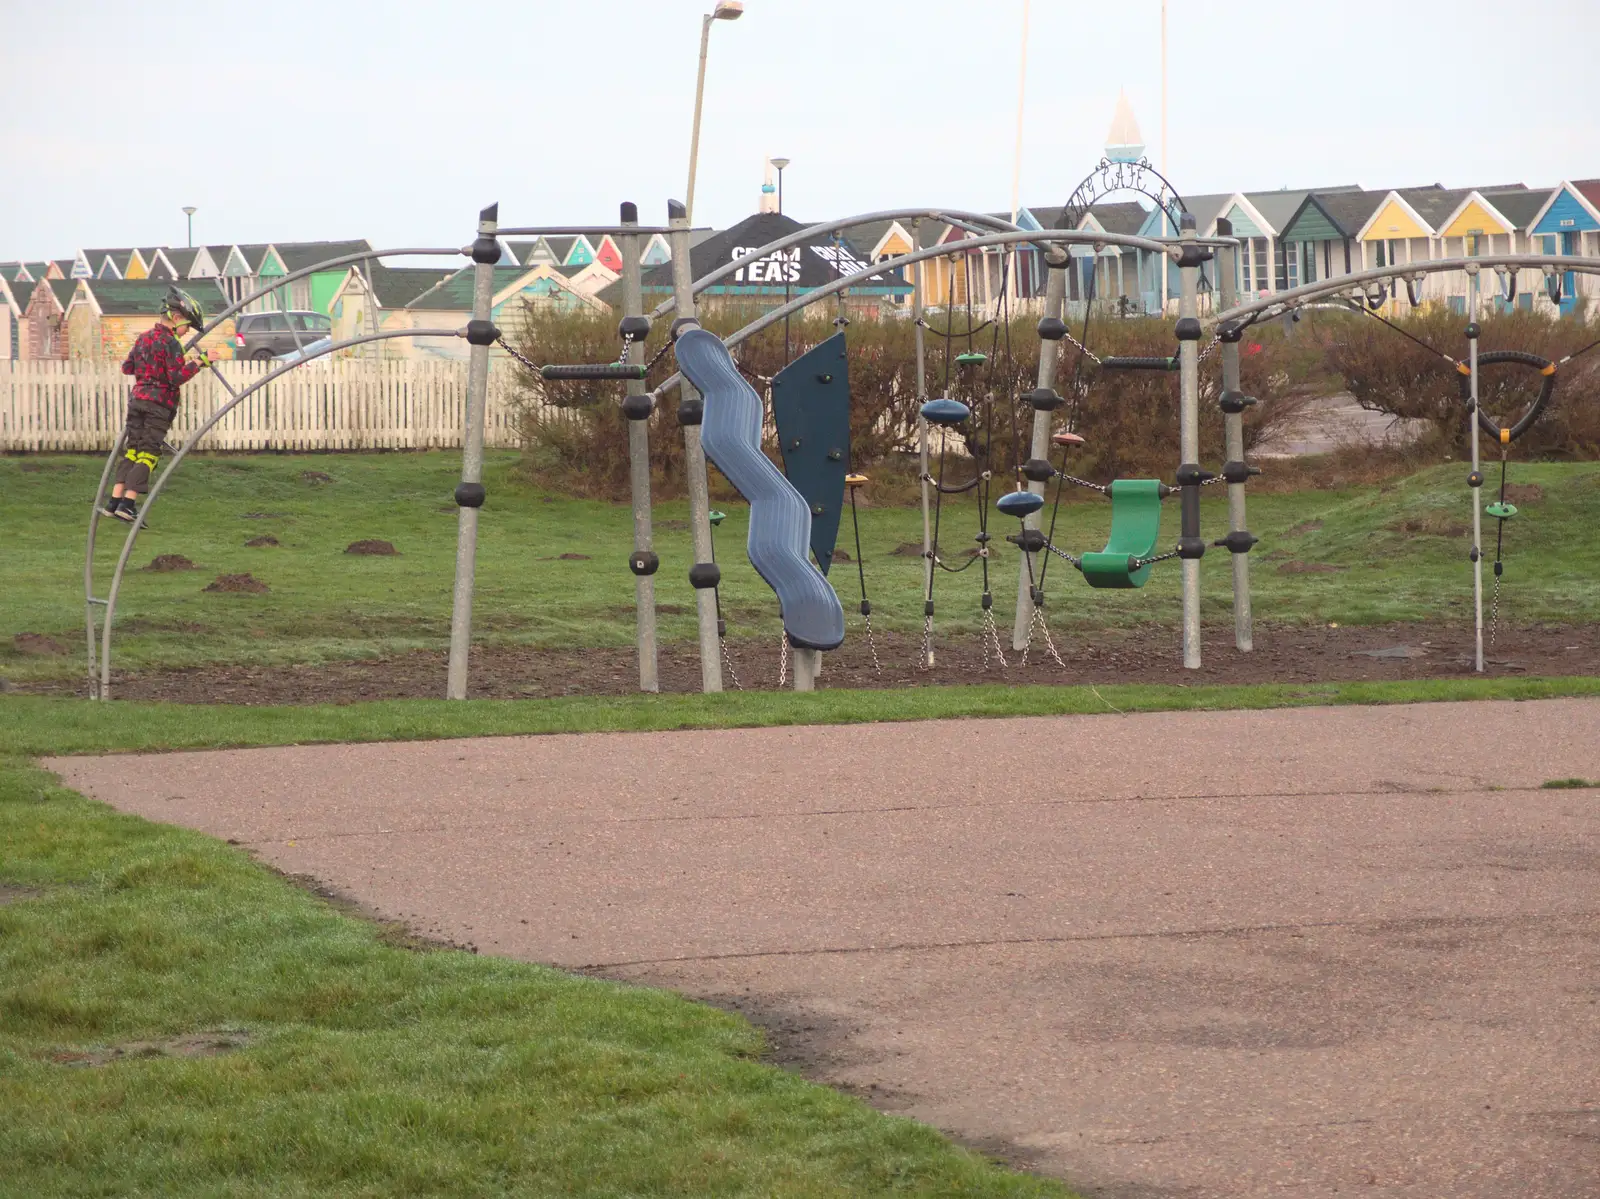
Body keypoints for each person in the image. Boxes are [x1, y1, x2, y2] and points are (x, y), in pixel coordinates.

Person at [102, 288, 211, 524]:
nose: (186, 333)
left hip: (137, 401)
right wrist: (200, 363)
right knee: (149, 453)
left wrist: (149, 370)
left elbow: (127, 367)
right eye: (187, 326)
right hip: (159, 405)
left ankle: (114, 501)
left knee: (132, 450)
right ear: (177, 318)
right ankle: (129, 504)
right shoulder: (171, 343)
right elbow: (175, 377)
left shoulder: (144, 338)